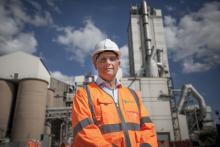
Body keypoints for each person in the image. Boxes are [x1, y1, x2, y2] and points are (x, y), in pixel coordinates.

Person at [71, 39, 158, 147]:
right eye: (103, 59)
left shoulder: (133, 95)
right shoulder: (84, 94)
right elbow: (84, 133)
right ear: (95, 65)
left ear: (118, 63)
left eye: (112, 59)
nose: (108, 62)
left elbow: (148, 127)